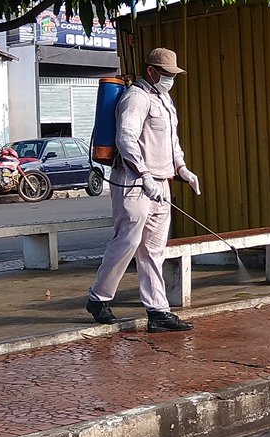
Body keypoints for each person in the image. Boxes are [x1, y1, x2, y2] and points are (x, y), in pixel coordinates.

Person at [86, 47, 201, 333]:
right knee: (126, 242)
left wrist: (182, 168)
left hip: (162, 182)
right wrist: (145, 175)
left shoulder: (164, 99)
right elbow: (126, 139)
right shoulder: (135, 98)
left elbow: (171, 140)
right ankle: (98, 298)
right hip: (134, 182)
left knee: (153, 250)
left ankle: (158, 311)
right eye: (166, 74)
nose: (170, 79)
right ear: (151, 71)